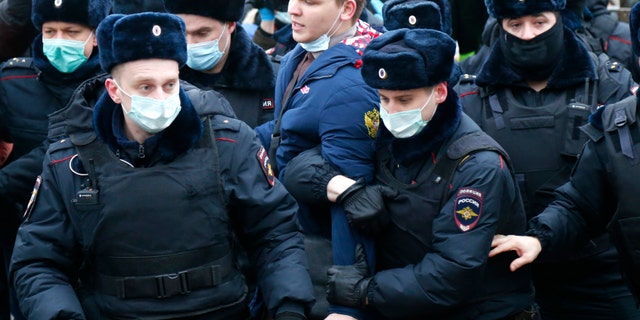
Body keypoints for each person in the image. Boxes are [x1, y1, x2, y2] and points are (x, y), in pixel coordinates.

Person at [9, 11, 315, 320]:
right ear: (115, 91)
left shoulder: (228, 141)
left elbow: (275, 233)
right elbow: (38, 261)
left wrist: (289, 307)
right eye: (145, 87)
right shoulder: (71, 159)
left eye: (170, 85)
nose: (160, 97)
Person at [285, 27, 537, 319]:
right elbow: (298, 168)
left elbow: (451, 274)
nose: (392, 111)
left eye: (405, 100)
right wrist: (347, 189)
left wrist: (365, 291)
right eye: (384, 98)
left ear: (440, 92)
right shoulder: (385, 132)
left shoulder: (477, 164)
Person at [454, 0, 639, 318]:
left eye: (539, 22)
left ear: (561, 19)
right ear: (500, 26)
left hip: (599, 278)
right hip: (503, 276)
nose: (527, 35)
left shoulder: (611, 86)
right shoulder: (469, 97)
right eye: (515, 25)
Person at [253, 0, 381, 319]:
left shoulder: (352, 85)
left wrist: (345, 306)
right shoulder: (300, 53)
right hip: (289, 240)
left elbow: (354, 202)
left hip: (320, 257)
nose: (293, 9)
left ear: (348, 9)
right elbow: (287, 128)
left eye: (310, 2)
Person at [0, 0, 111, 319]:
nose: (59, 40)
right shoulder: (11, 80)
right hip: (23, 233)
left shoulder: (114, 85)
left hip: (97, 233)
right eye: (51, 31)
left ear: (95, 35)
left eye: (71, 31)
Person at [164, 0, 275, 128]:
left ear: (230, 26)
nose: (190, 43)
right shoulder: (160, 83)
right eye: (183, 33)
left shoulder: (274, 79)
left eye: (202, 33)